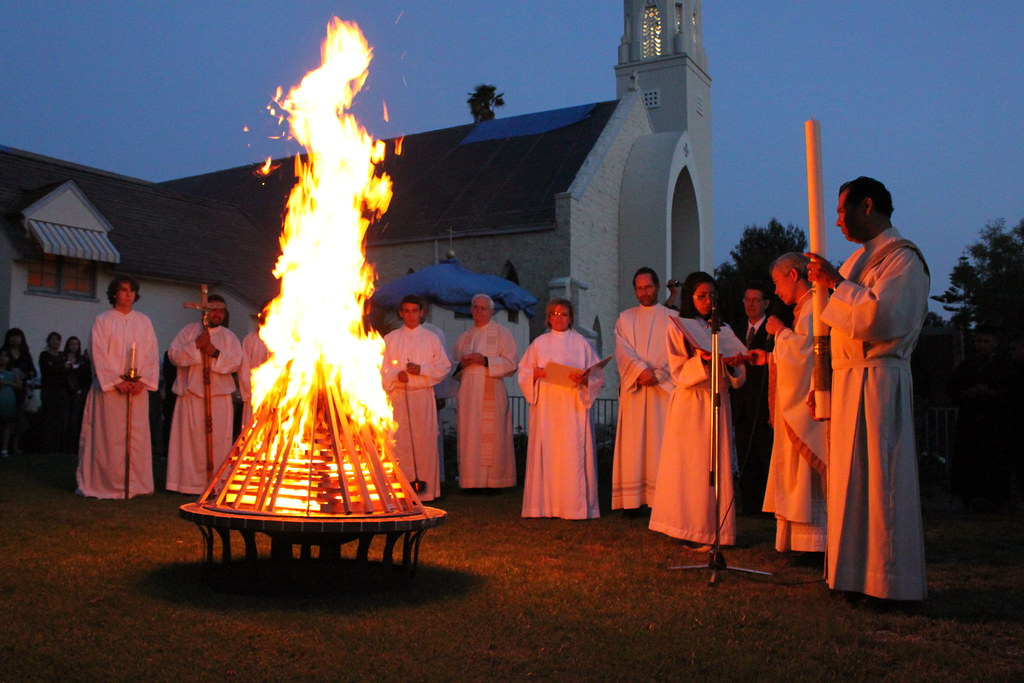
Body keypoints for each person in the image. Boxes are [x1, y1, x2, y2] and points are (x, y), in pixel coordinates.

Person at [806, 176, 929, 601]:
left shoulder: (903, 260)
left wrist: (834, 284)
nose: (837, 220)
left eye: (842, 210)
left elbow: (883, 319)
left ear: (868, 206)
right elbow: (834, 328)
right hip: (848, 381)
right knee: (850, 485)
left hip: (879, 383)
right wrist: (820, 378)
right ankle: (853, 575)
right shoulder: (857, 261)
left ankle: (890, 581)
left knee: (882, 482)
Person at [649, 272, 746, 548]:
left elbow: (739, 376)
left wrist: (734, 363)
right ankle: (687, 527)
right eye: (701, 296)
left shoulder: (723, 328)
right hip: (692, 404)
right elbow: (678, 371)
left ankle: (717, 530)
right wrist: (703, 362)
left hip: (718, 400)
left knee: (716, 465)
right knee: (691, 468)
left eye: (712, 296)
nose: (707, 301)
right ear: (690, 298)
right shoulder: (679, 326)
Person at [749, 253, 827, 554]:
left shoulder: (815, 307)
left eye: (778, 282)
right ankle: (799, 541)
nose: (777, 291)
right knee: (793, 475)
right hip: (793, 409)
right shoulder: (805, 309)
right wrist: (768, 358)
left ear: (794, 275)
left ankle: (813, 543)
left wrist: (780, 332)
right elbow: (798, 354)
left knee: (804, 476)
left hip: (805, 412)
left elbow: (808, 355)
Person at [518, 297, 605, 519]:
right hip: (547, 409)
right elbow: (524, 372)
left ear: (571, 318)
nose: (559, 318)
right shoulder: (539, 343)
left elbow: (596, 374)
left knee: (572, 454)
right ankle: (544, 506)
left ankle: (573, 507)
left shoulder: (581, 343)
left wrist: (584, 378)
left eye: (564, 314)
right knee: (548, 453)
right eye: (555, 314)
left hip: (572, 407)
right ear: (548, 318)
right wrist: (534, 375)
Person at [76, 276, 159, 498]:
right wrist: (116, 381)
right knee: (109, 437)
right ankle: (106, 483)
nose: (128, 294)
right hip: (111, 391)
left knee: (136, 437)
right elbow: (98, 353)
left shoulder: (143, 322)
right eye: (123, 290)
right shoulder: (103, 321)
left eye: (132, 290)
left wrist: (143, 381)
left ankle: (136, 484)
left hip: (137, 389)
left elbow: (151, 353)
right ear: (114, 293)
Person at [612, 267, 675, 513]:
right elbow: (622, 349)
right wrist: (640, 371)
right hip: (635, 391)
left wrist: (658, 375)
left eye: (648, 287)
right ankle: (632, 501)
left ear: (658, 287)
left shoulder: (672, 318)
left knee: (659, 444)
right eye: (639, 288)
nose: (644, 292)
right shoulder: (625, 318)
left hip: (661, 392)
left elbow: (676, 353)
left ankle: (661, 499)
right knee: (633, 445)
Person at [165, 294, 243, 495]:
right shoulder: (188, 332)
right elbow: (174, 355)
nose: (217, 314)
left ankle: (215, 484)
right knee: (190, 442)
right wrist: (196, 346)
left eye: (221, 310)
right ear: (204, 311)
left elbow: (235, 362)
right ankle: (186, 484)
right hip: (191, 394)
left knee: (218, 441)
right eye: (214, 309)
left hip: (218, 397)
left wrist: (213, 352)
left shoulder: (229, 337)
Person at [381, 295, 452, 502]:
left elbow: (443, 366)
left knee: (424, 443)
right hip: (399, 397)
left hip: (422, 396)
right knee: (399, 443)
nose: (410, 315)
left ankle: (425, 492)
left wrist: (422, 369)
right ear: (401, 313)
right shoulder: (390, 339)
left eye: (415, 311)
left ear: (421, 312)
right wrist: (396, 375)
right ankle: (401, 491)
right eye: (406, 311)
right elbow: (381, 368)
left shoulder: (431, 338)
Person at [453, 293, 519, 489]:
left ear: (491, 311)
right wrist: (462, 363)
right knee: (469, 434)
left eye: (483, 308)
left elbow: (511, 363)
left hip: (492, 390)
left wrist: (486, 361)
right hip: (468, 394)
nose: (479, 312)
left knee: (493, 435)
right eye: (475, 308)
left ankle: (496, 481)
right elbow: (452, 368)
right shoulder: (464, 337)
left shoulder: (502, 333)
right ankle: (471, 481)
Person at [948, 325, 1011, 511]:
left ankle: (995, 498)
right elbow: (952, 388)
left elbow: (1012, 392)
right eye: (978, 341)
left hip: (995, 422)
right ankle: (969, 496)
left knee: (994, 460)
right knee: (969, 459)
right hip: (971, 421)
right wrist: (966, 393)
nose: (981, 345)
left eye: (986, 341)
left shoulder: (1003, 367)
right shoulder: (968, 365)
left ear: (995, 344)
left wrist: (991, 393)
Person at [733, 282, 775, 515]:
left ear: (766, 303)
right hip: (741, 405)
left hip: (762, 403)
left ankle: (767, 505)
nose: (750, 304)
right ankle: (749, 503)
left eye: (755, 300)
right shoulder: (737, 330)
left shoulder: (774, 331)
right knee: (744, 455)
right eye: (746, 300)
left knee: (765, 454)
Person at [2, 327, 37, 455]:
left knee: (18, 418)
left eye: (17, 336)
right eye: (12, 336)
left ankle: (15, 447)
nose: (15, 339)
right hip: (5, 390)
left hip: (20, 389)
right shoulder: (4, 353)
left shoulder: (25, 354)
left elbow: (32, 371)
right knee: (5, 418)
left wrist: (25, 375)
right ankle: (4, 447)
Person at [238, 306, 270, 427]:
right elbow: (244, 369)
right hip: (254, 394)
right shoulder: (249, 340)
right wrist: (253, 391)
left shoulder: (283, 340)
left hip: (277, 397)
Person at [37, 331, 70, 453]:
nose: (55, 342)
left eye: (57, 339)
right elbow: (48, 369)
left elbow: (67, 369)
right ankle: (47, 446)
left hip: (62, 391)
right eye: (52, 339)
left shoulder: (62, 355)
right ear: (48, 341)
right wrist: (62, 368)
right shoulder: (44, 355)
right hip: (49, 390)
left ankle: (58, 445)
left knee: (60, 418)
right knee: (49, 417)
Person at [62, 336, 91, 453]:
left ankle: (73, 447)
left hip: (78, 393)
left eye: (76, 344)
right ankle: (63, 446)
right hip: (65, 392)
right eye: (72, 344)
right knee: (65, 419)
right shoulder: (62, 358)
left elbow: (85, 376)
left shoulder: (82, 361)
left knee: (75, 419)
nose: (74, 346)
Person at [0, 349, 24, 457]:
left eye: (5, 356)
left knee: (7, 425)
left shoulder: (13, 372)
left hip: (8, 399)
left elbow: (19, 385)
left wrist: (7, 383)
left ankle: (5, 449)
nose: (2, 358)